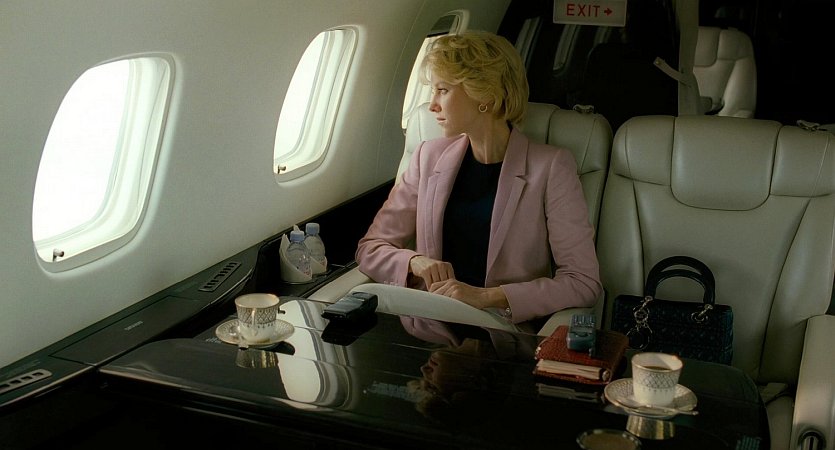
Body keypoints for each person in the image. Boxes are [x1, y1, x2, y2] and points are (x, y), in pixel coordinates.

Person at [355, 30, 602, 332]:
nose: (432, 105)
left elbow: (582, 282)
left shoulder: (551, 167)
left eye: (442, 90)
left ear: (484, 95)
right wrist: (414, 261)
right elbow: (370, 248)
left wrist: (486, 297)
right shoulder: (427, 157)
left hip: (504, 339)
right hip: (432, 332)